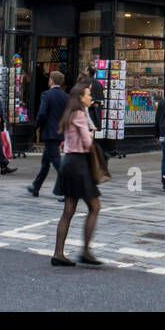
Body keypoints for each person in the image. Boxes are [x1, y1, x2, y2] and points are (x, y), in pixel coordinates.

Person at [51, 82, 102, 266]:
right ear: (80, 97)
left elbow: (65, 142)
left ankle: (58, 253)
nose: (91, 97)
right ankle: (86, 252)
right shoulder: (80, 114)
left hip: (68, 163)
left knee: (68, 210)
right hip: (79, 164)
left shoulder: (70, 113)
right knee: (95, 207)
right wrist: (92, 134)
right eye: (88, 94)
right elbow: (87, 142)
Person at [27, 70, 68, 197]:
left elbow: (42, 113)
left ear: (51, 81)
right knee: (45, 163)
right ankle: (36, 186)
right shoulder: (66, 97)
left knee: (57, 162)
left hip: (49, 132)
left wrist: (37, 125)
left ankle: (69, 190)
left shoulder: (46, 94)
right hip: (59, 131)